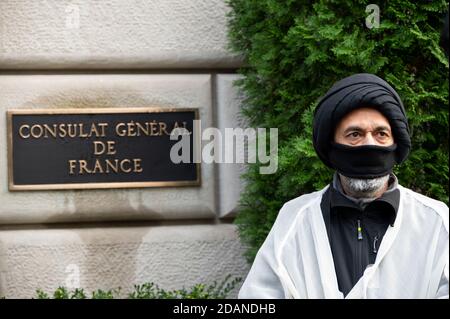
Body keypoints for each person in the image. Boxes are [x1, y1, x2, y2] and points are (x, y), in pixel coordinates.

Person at [238, 73, 449, 299]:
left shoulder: (436, 222)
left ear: (395, 144)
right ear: (332, 146)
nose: (369, 144)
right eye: (355, 134)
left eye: (381, 134)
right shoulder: (296, 220)